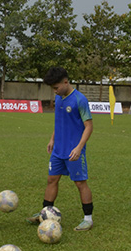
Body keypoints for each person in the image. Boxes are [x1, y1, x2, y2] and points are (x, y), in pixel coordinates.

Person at [27, 67, 94, 231]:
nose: (55, 91)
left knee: (80, 183)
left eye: (56, 88)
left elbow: (89, 126)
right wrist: (52, 139)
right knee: (51, 180)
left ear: (66, 82)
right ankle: (44, 213)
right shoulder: (59, 99)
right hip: (58, 150)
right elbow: (59, 122)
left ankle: (88, 219)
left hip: (74, 151)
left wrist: (79, 148)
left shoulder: (80, 100)